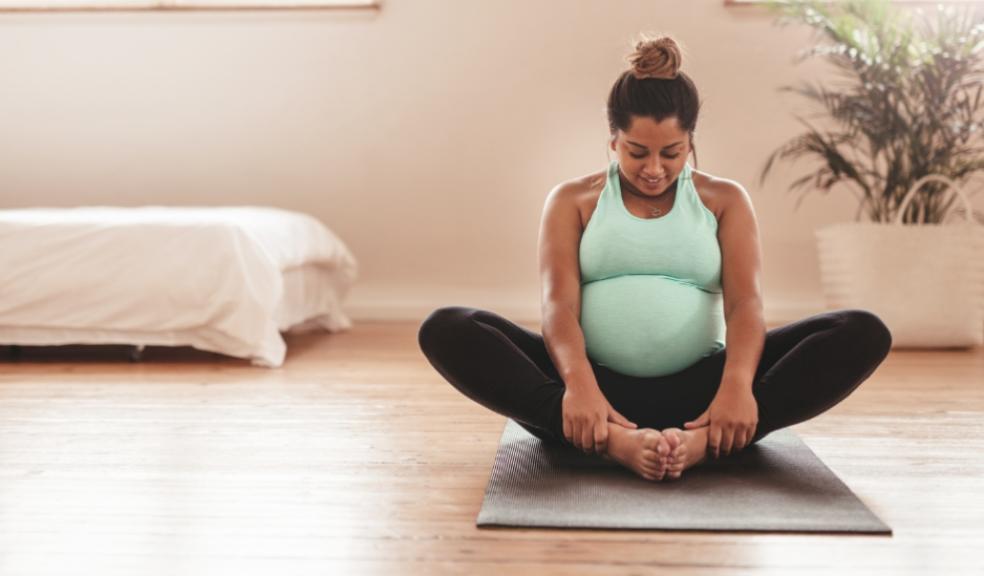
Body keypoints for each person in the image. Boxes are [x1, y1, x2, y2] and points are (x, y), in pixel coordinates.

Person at [417, 35, 892, 482]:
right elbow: (558, 307)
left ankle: (707, 439)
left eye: (672, 153)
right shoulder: (572, 200)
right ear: (613, 140)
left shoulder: (724, 200)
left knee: (861, 331)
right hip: (591, 390)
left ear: (691, 142)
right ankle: (610, 440)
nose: (654, 169)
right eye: (637, 152)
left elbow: (745, 306)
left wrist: (736, 387)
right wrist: (579, 386)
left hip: (702, 391)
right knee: (448, 326)